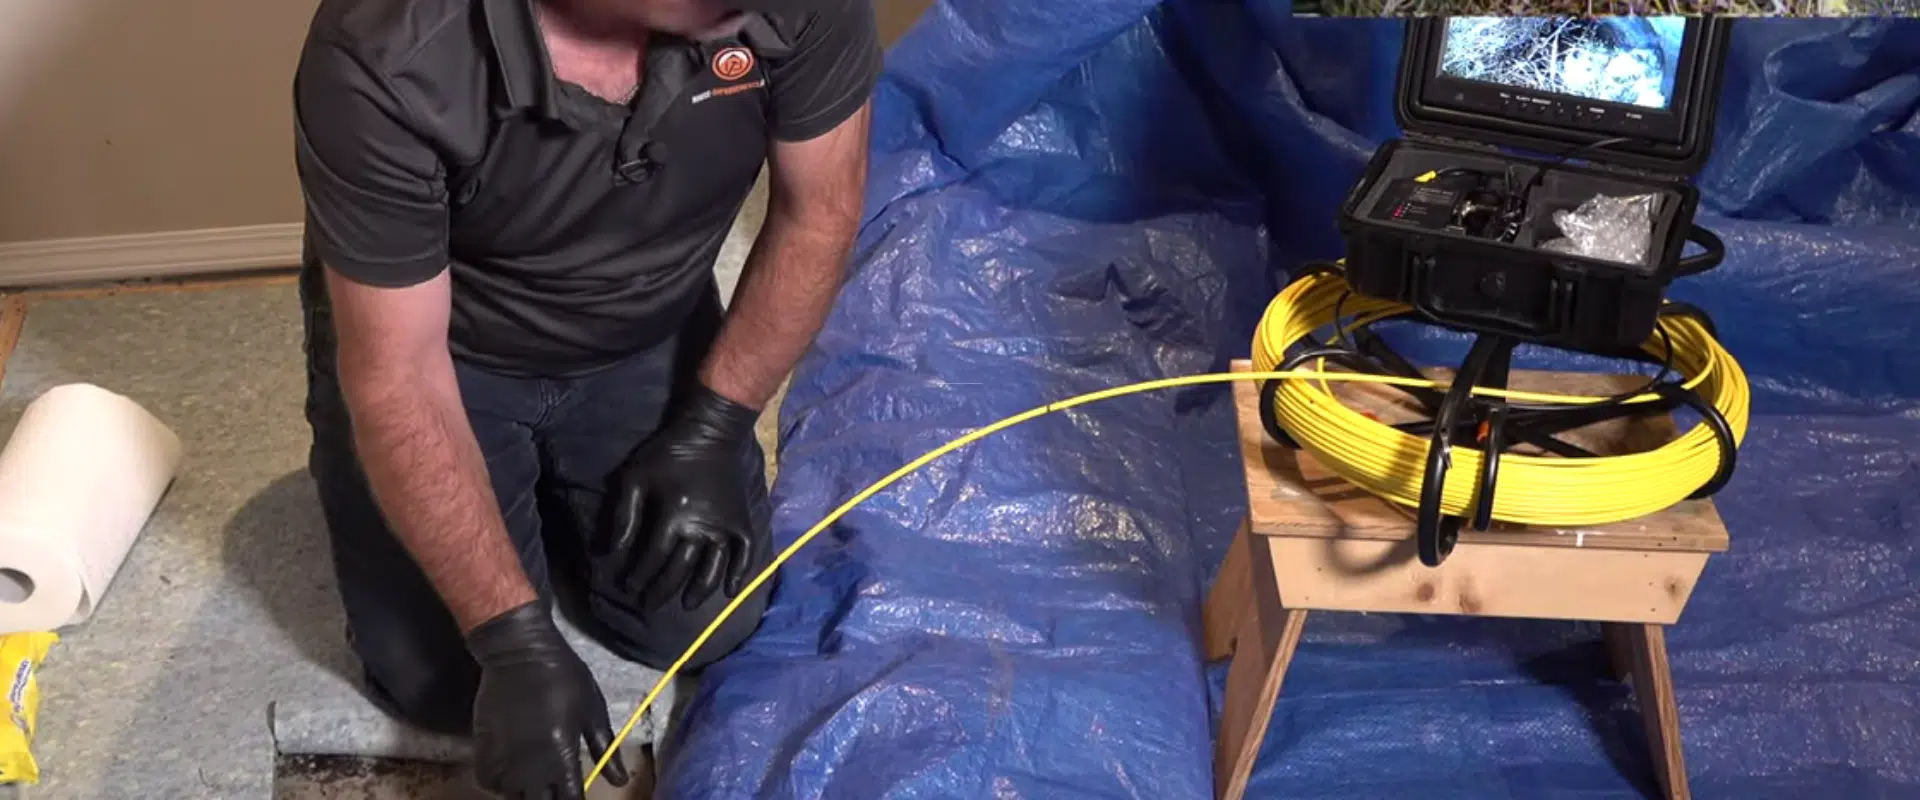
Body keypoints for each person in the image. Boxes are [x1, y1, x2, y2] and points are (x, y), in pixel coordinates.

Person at [289, 0, 880, 795]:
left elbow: (820, 215)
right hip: (446, 353)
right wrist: (512, 640)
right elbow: (399, 374)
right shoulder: (387, 50)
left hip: (648, 322)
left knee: (707, 624)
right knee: (448, 688)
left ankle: (557, 505)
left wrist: (714, 423)